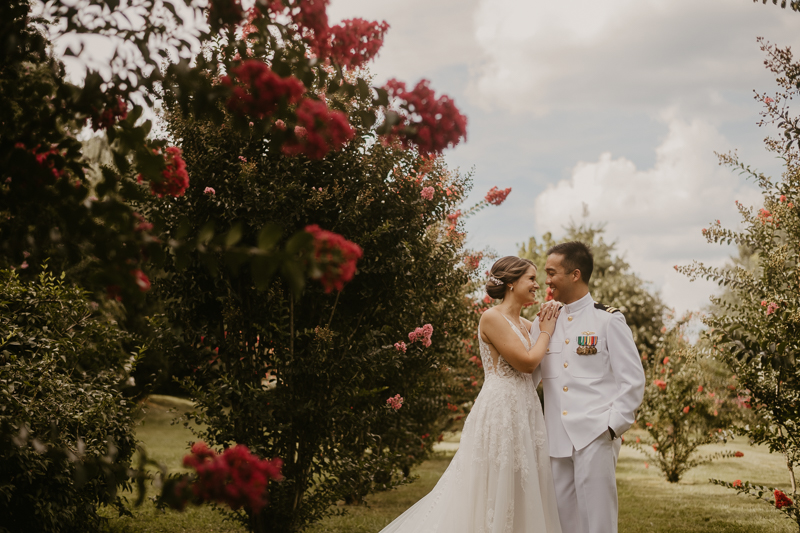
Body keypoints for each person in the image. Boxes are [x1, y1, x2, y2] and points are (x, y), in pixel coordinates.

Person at [379, 256, 563, 533]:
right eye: (531, 279)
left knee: (522, 478)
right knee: (496, 479)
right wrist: (546, 332)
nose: (537, 285)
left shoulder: (526, 325)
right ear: (512, 283)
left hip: (525, 406)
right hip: (501, 408)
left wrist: (548, 320)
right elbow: (526, 362)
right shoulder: (491, 317)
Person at [530, 242, 645, 533]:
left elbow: (632, 379)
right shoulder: (543, 322)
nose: (547, 280)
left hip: (595, 433)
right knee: (563, 521)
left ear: (575, 274)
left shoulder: (607, 320)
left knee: (598, 521)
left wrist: (612, 427)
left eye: (552, 272)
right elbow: (529, 376)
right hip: (556, 438)